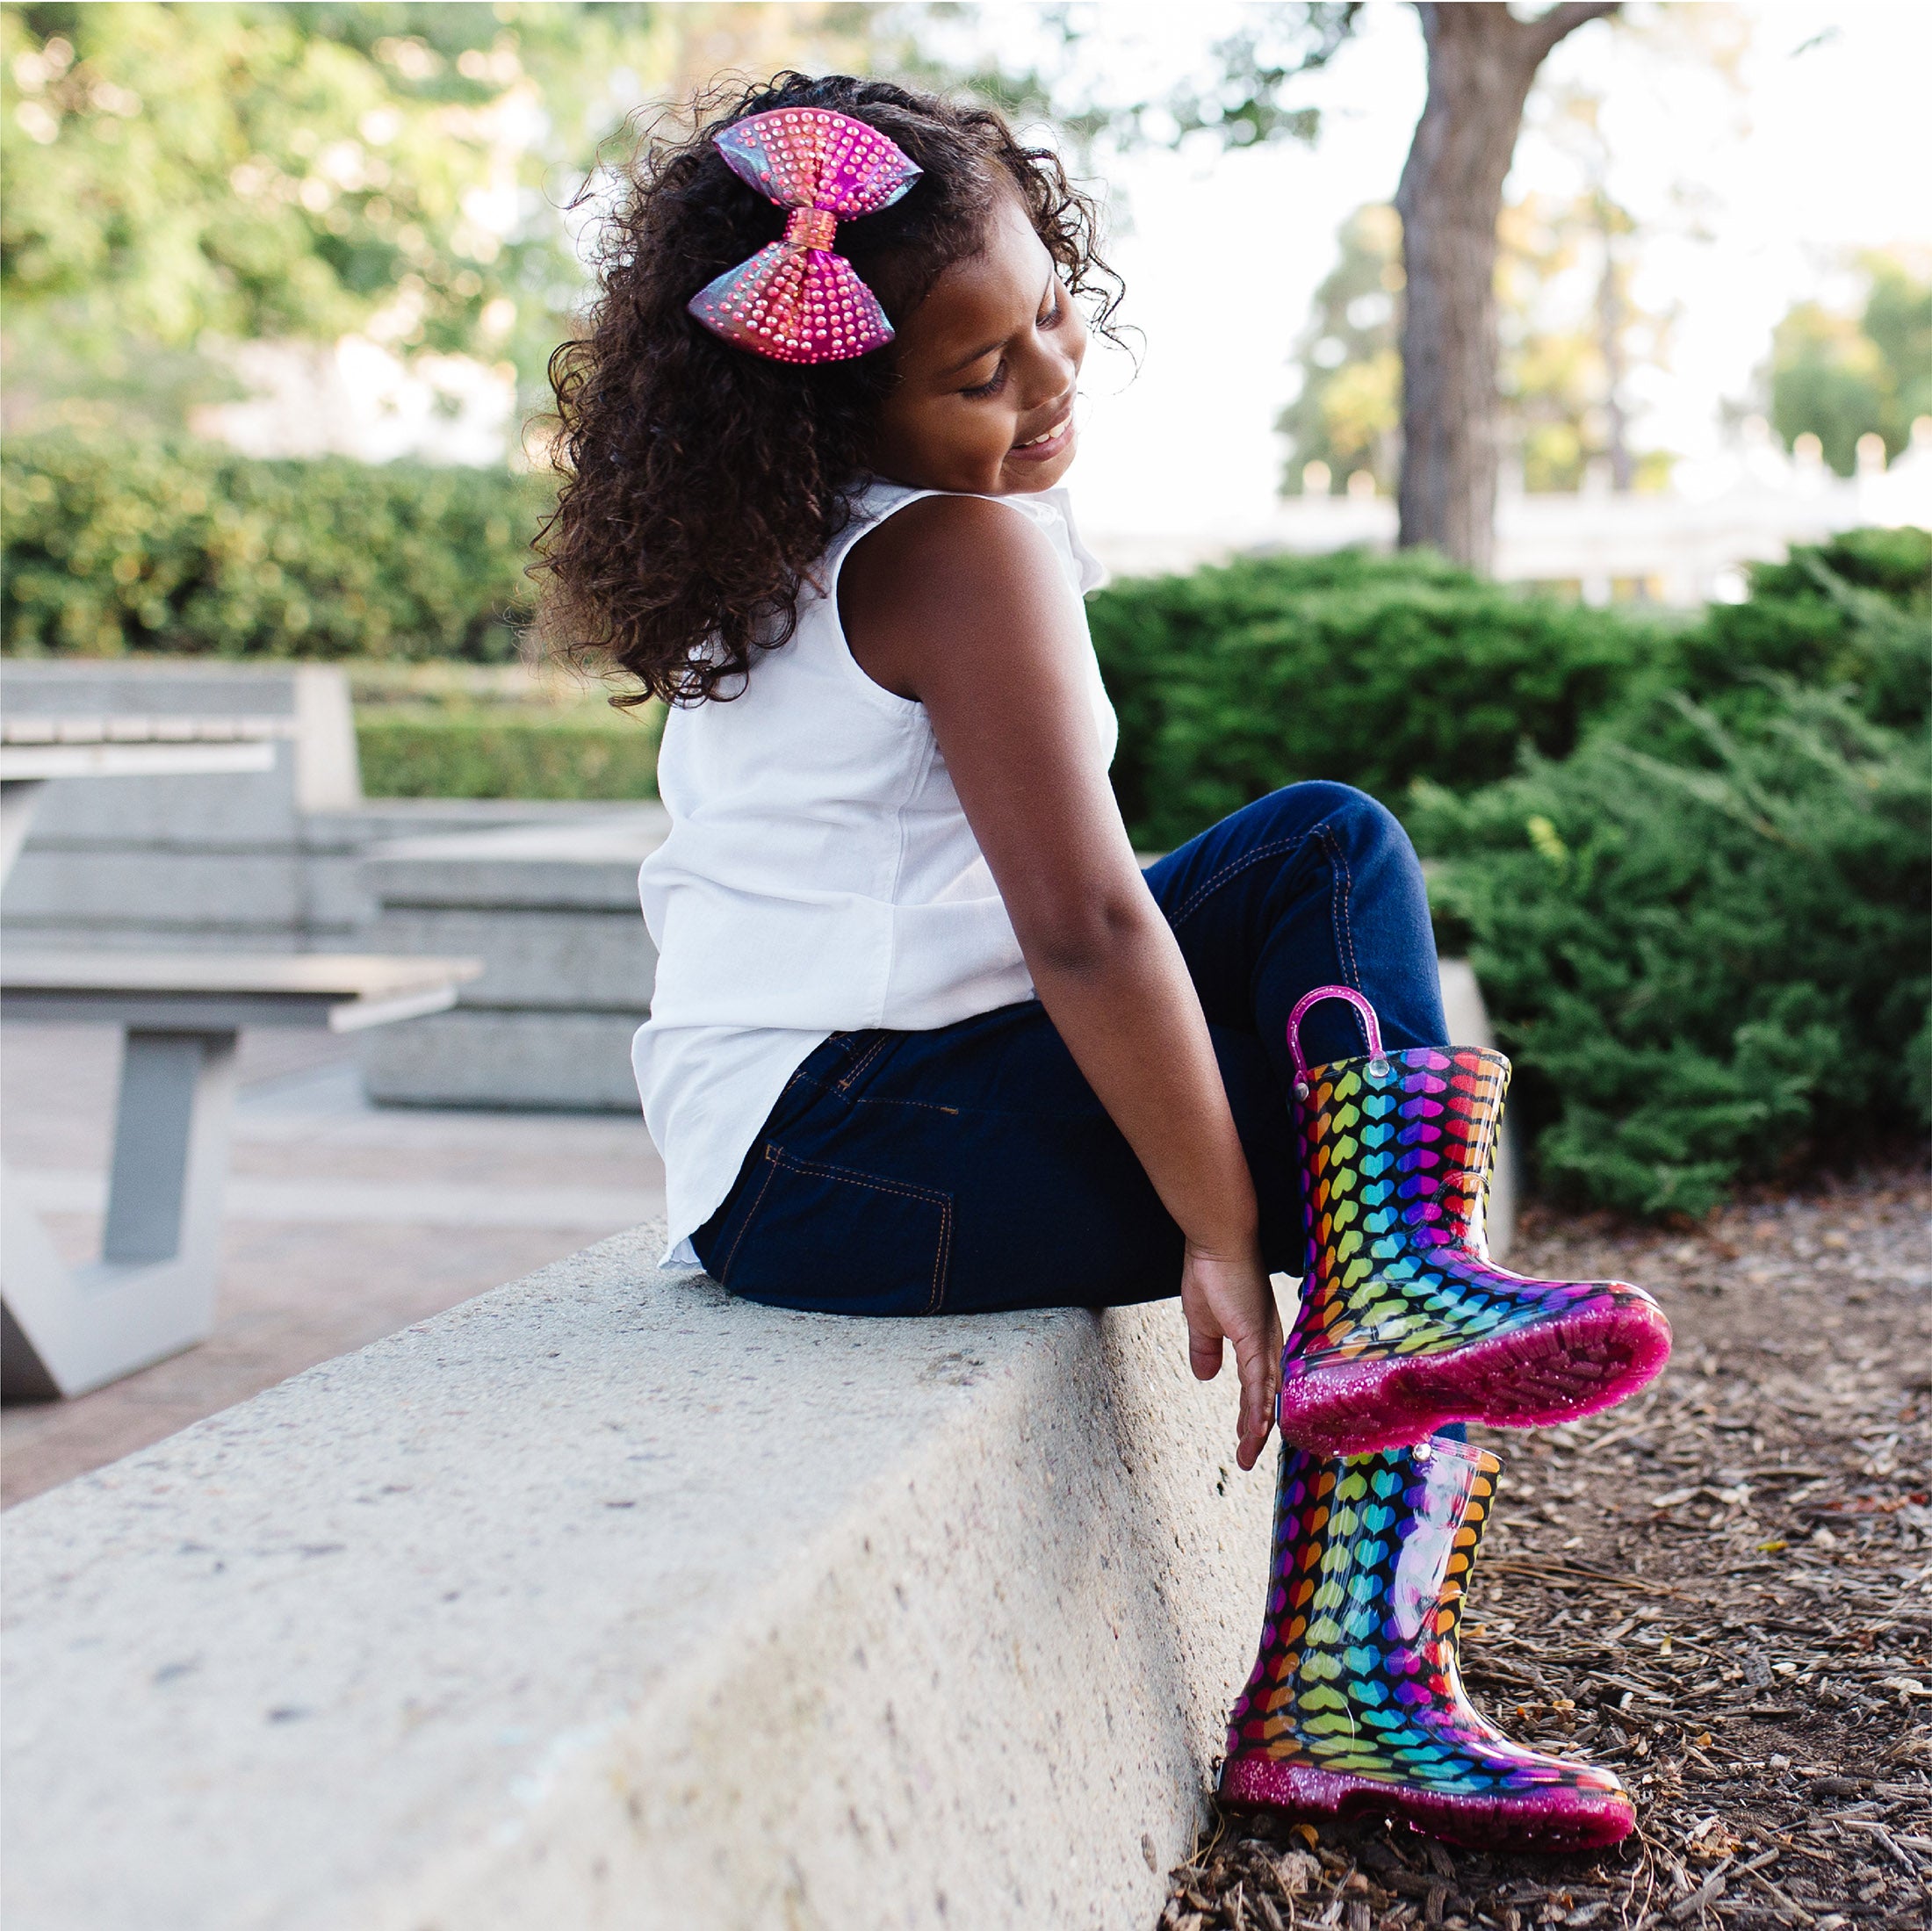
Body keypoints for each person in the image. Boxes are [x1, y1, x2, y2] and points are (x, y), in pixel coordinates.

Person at [536, 71, 1672, 1852]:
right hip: (856, 1143)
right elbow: (1078, 921)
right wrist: (1221, 1232)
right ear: (837, 412)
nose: (1047, 381)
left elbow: (1044, 920)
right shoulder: (957, 549)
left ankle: (1382, 1375)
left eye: (1048, 316)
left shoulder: (821, 551)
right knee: (1326, 866)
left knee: (1365, 1121)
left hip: (807, 1156)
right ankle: (1347, 1661)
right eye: (975, 374)